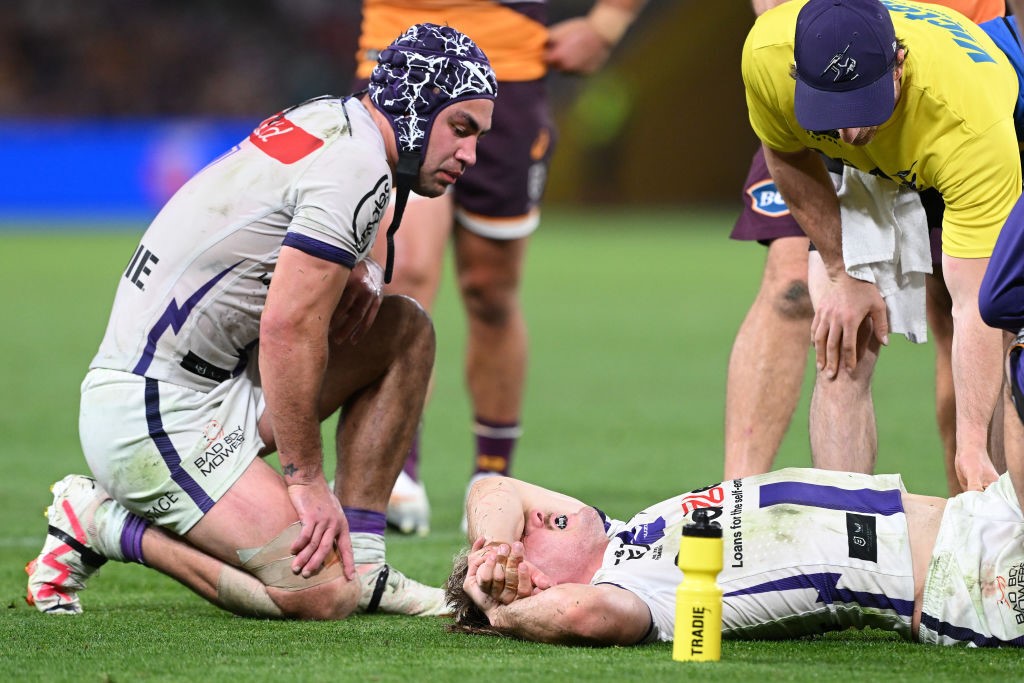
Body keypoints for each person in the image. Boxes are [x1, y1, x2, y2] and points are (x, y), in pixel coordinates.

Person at [24, 23, 497, 619]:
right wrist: (306, 481)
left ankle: (369, 563)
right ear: (415, 110)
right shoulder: (357, 166)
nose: (471, 154)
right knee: (321, 593)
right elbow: (287, 329)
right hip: (155, 410)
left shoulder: (335, 118)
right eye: (460, 128)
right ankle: (102, 523)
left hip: (213, 377)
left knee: (404, 329)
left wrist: (364, 271)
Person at [354, 0, 648, 536]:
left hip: (510, 68)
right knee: (405, 273)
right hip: (401, 58)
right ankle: (397, 468)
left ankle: (492, 475)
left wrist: (609, 23)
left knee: (490, 291)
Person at [724, 0, 1005, 497]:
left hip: (942, 129)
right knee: (841, 334)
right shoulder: (768, 56)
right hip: (868, 126)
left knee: (996, 327)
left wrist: (973, 444)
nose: (850, 134)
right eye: (834, 115)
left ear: (899, 62)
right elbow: (787, 152)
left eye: (860, 109)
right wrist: (842, 271)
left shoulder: (971, 128)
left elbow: (976, 306)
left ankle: (988, 520)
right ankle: (838, 542)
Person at [445, 467, 1024, 647]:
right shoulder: (640, 596)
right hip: (970, 584)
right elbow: (579, 617)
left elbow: (492, 488)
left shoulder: (629, 531)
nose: (538, 515)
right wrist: (503, 612)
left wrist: (494, 548)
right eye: (535, 535)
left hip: (977, 511)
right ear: (541, 584)